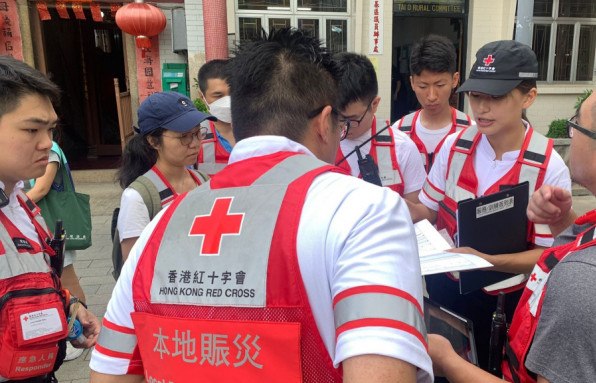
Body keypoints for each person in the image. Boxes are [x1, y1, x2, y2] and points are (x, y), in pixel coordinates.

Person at [90, 28, 432, 383]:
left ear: (239, 120)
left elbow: (110, 372)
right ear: (323, 123)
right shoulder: (366, 211)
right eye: (341, 125)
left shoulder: (161, 227)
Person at [428, 57, 596, 382]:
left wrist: (448, 362)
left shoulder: (592, 287)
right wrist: (566, 223)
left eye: (576, 124)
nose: (569, 134)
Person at [407, 40, 571, 367]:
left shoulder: (547, 166)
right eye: (476, 96)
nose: (481, 109)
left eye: (495, 98)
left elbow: (549, 254)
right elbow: (429, 209)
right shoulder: (456, 145)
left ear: (528, 96)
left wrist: (486, 261)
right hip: (444, 290)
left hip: (504, 303)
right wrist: (388, 203)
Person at [0, 55, 100, 382]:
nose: (48, 143)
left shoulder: (21, 206)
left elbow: (28, 283)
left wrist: (70, 309)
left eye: (50, 129)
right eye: (32, 129)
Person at [115, 91, 214, 264]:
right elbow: (134, 267)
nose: (195, 143)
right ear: (153, 141)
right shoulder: (138, 197)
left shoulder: (203, 181)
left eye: (198, 133)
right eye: (184, 137)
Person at [333, 52, 426, 203]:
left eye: (352, 119)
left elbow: (418, 210)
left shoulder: (403, 148)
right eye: (336, 117)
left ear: (374, 105)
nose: (343, 127)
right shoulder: (315, 145)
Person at [26, 140, 88, 361]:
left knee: (67, 279)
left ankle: (78, 333)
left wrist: (13, 206)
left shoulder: (49, 148)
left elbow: (42, 188)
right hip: (38, 226)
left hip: (53, 228)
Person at [393, 34, 472, 172]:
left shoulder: (471, 132)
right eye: (423, 87)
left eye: (440, 85)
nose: (431, 96)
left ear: (455, 79)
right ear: (412, 83)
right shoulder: (398, 132)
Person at [195, 59, 234, 176]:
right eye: (218, 96)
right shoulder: (194, 139)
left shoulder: (261, 133)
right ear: (202, 97)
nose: (228, 101)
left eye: (233, 93)